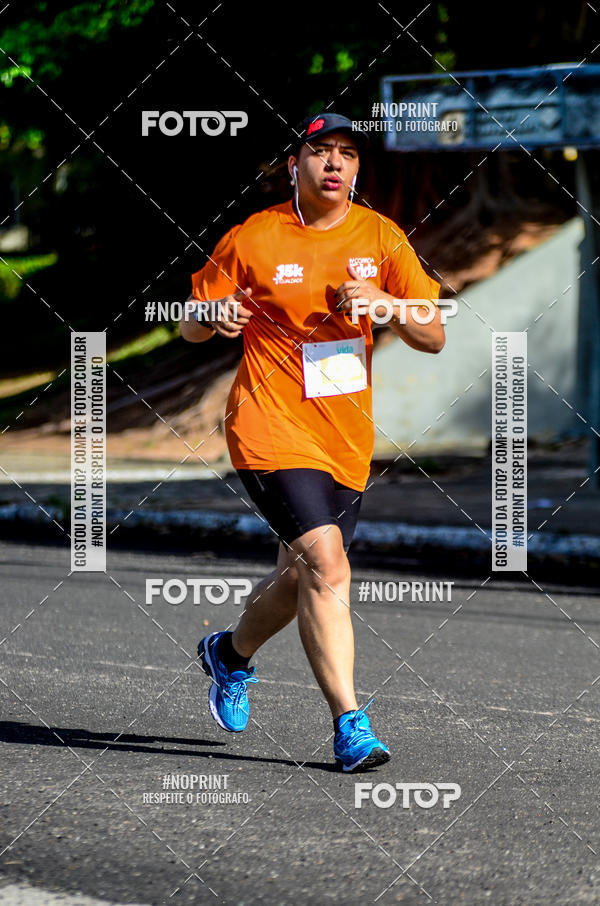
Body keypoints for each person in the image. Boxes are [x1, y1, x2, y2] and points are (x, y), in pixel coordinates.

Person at [180, 112, 445, 772]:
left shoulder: (381, 237)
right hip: (269, 424)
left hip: (345, 436)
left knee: (301, 578)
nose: (334, 162)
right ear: (293, 164)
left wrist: (386, 304)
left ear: (357, 169)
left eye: (347, 153)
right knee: (327, 568)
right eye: (320, 150)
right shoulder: (254, 237)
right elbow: (189, 322)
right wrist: (211, 315)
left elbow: (433, 331)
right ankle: (350, 726)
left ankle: (230, 654)